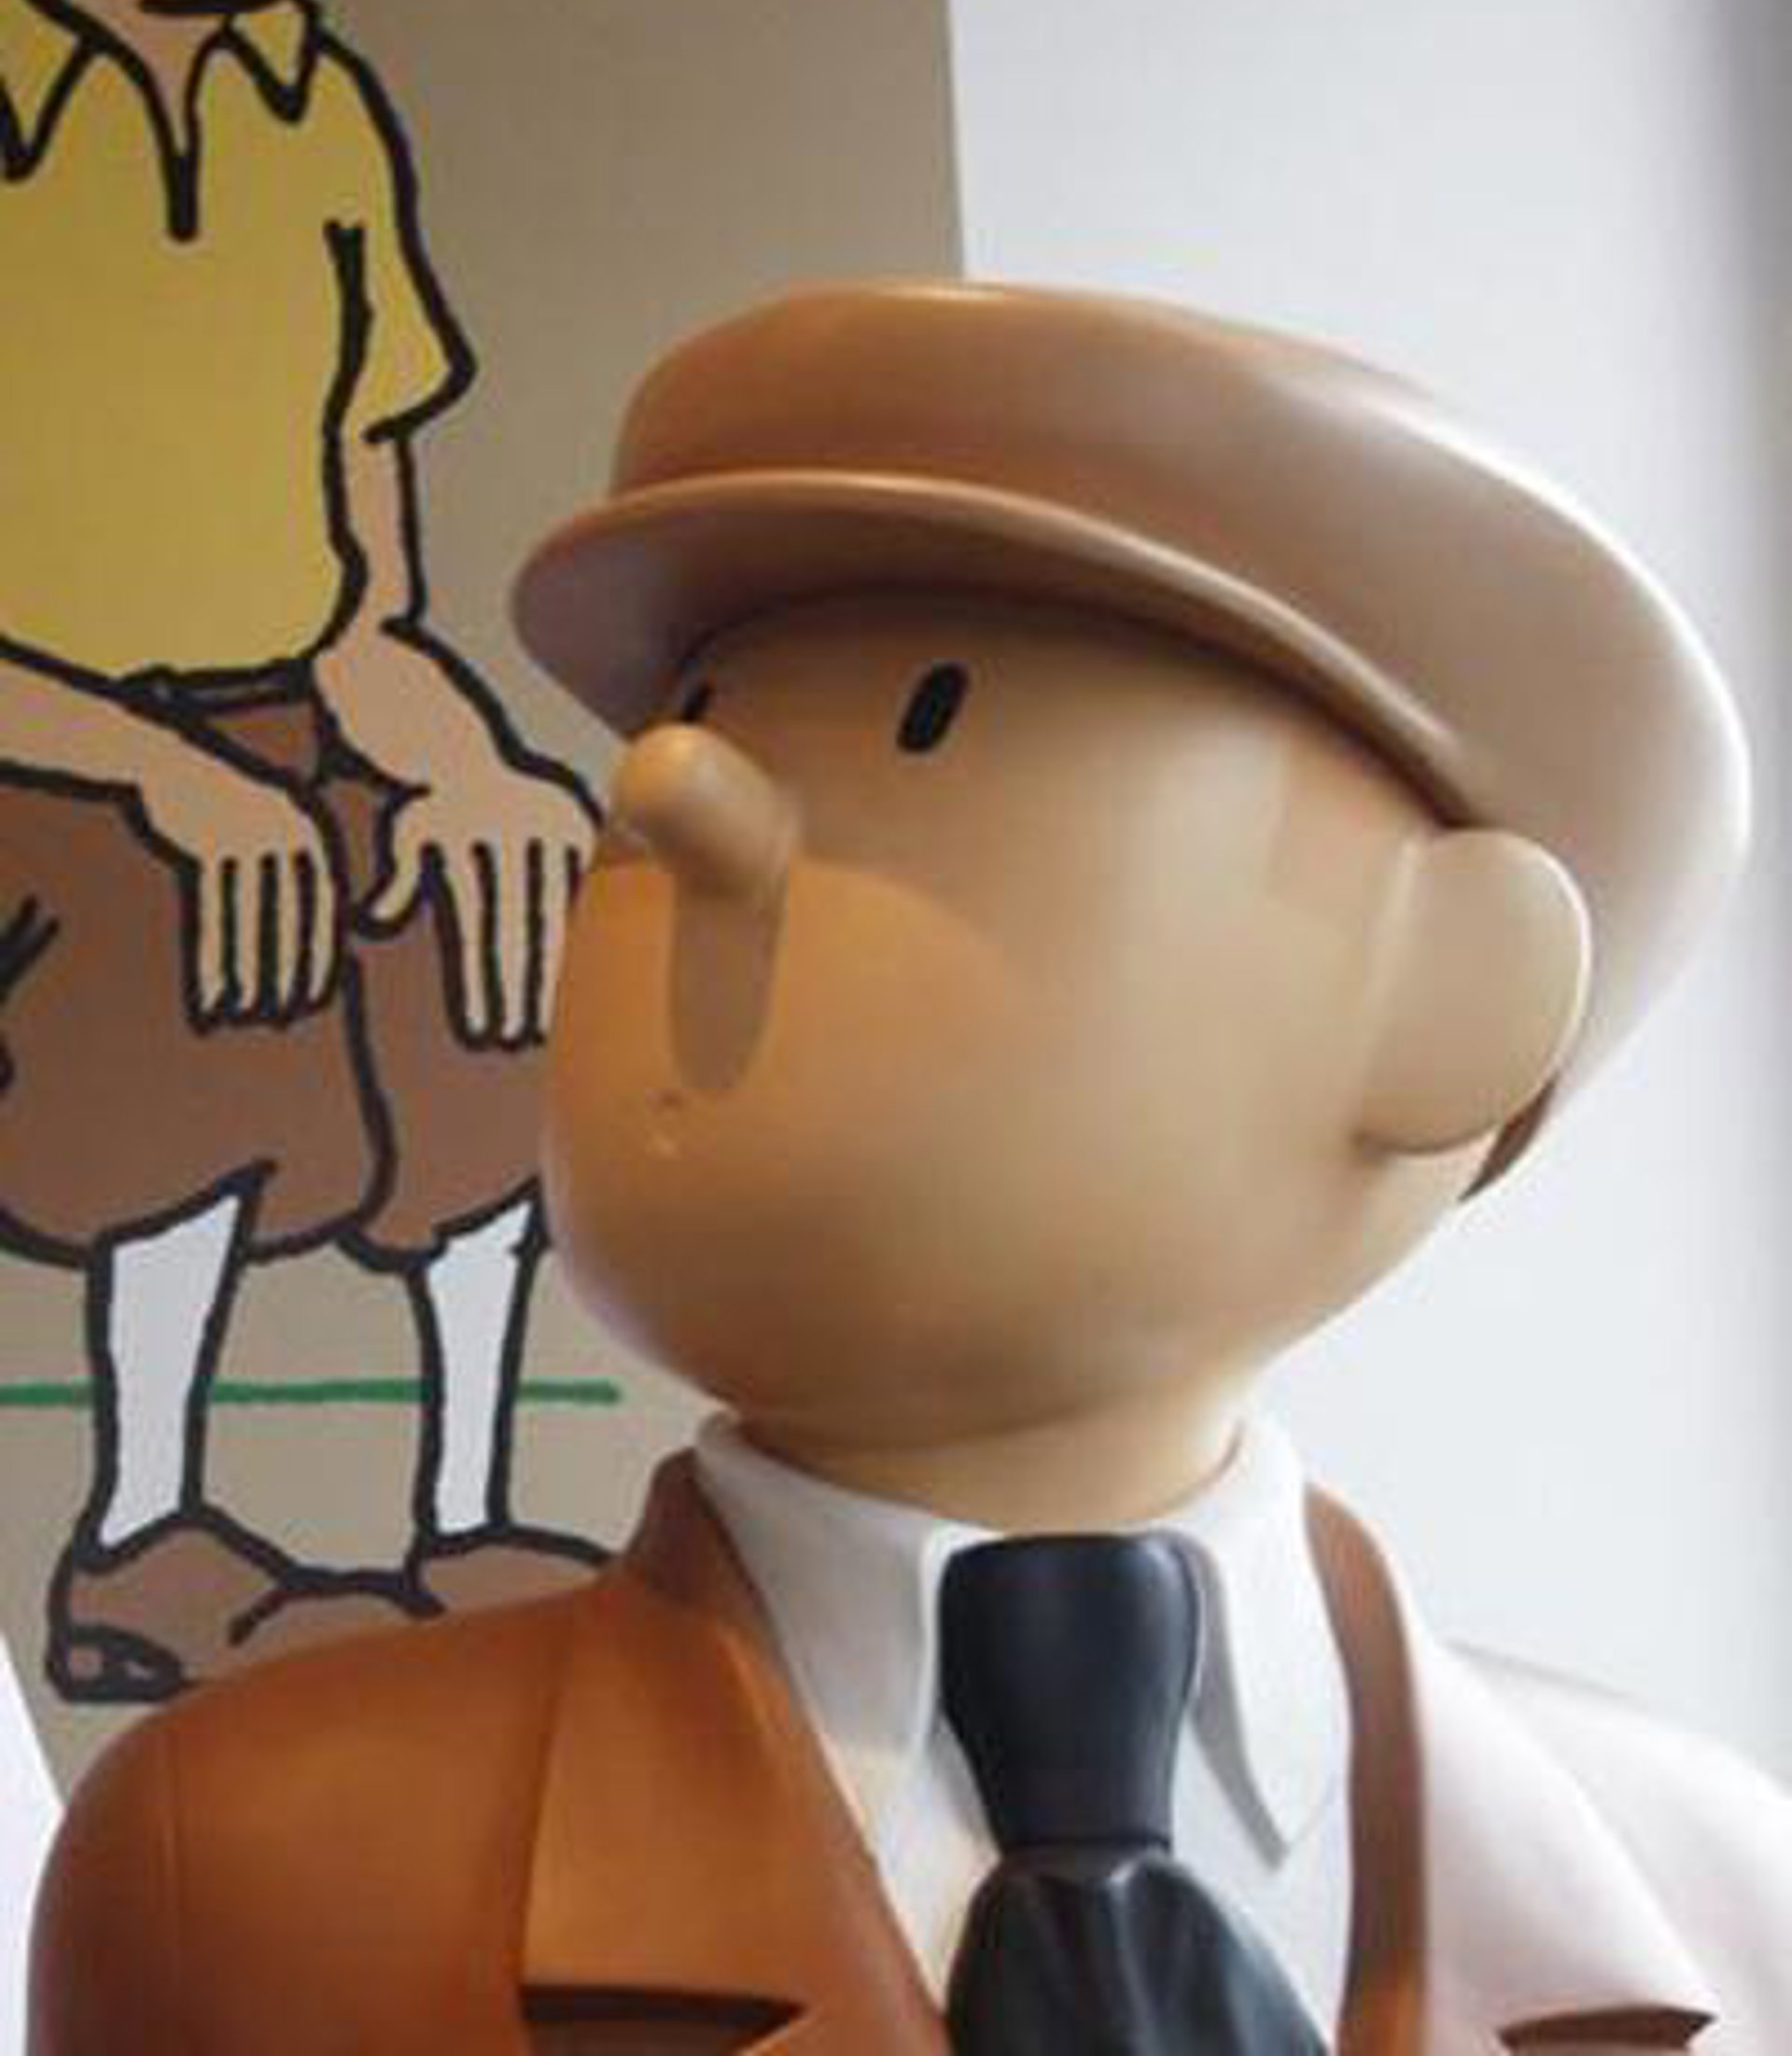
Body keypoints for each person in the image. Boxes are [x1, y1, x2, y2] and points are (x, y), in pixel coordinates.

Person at [29, 285, 1792, 2049]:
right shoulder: (244, 1877)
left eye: (928, 718)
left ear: (1454, 998)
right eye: (703, 708)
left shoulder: (1723, 1900)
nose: (672, 790)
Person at [0, 0, 597, 1705]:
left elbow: (366, 595)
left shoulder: (314, 115)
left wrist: (466, 770)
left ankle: (463, 1512)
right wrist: (164, 771)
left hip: (274, 712)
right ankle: (143, 1528)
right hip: (42, 751)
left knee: (497, 919)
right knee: (189, 940)